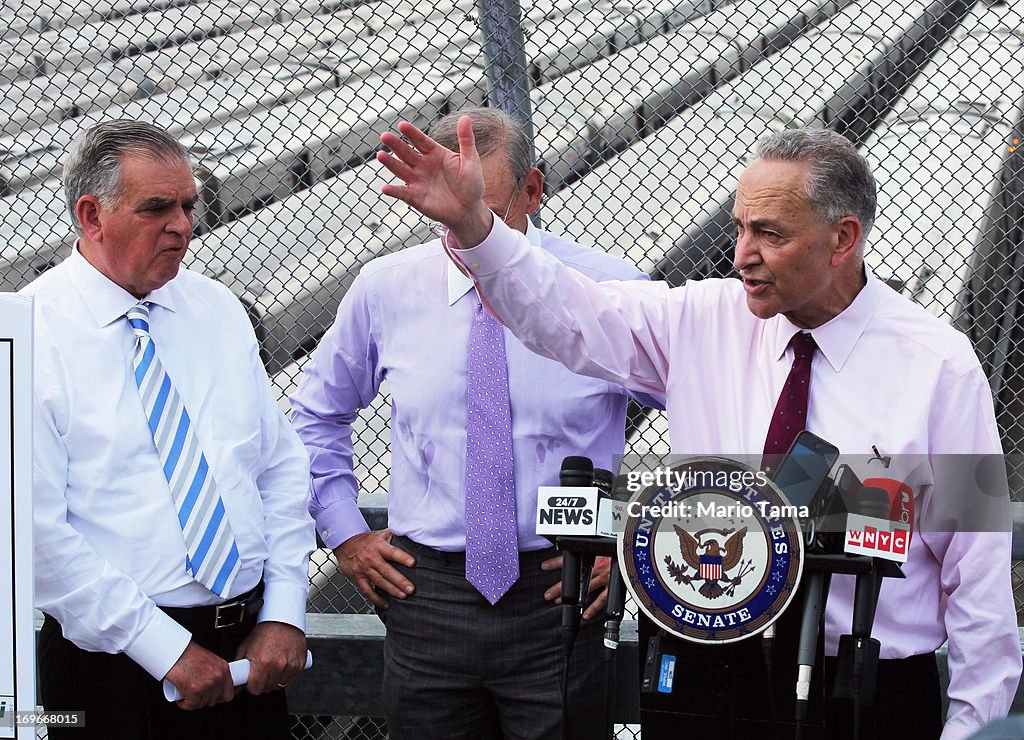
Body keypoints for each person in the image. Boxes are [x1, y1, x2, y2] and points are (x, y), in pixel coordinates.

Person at [374, 118, 1022, 739]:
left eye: (769, 234)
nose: (742, 255)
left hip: (861, 689)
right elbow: (564, 313)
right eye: (739, 227)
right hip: (705, 675)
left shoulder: (939, 365)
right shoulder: (700, 321)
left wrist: (974, 726)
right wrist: (476, 227)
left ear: (842, 238)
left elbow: (978, 569)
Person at [290, 107, 659, 740]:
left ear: (533, 191)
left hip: (564, 589)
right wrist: (345, 533)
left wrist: (636, 542)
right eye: (448, 208)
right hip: (425, 595)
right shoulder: (386, 289)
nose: (465, 228)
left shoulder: (608, 287)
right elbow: (317, 414)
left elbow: (702, 409)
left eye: (482, 207)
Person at [23, 120, 315, 740]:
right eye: (157, 207)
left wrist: (285, 609)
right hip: (112, 672)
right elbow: (34, 533)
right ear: (92, 215)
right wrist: (162, 647)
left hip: (249, 654)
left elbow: (277, 466)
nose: (183, 225)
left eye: (188, 204)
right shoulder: (27, 336)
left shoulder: (217, 309)